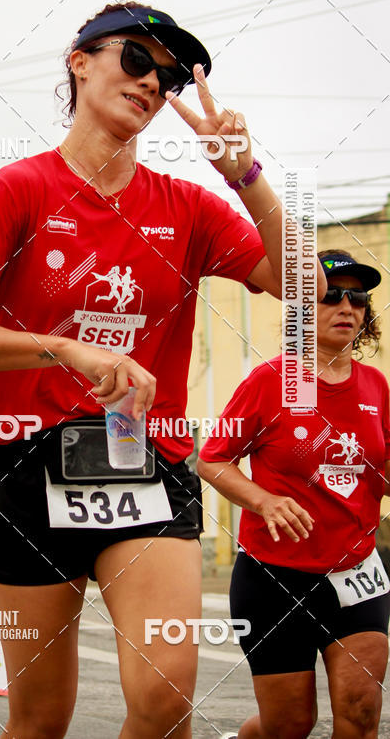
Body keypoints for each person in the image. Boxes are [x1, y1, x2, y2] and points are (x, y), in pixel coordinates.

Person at [0, 1, 326, 738]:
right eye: (135, 59)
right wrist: (63, 347)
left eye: (166, 78)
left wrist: (246, 174)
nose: (150, 83)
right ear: (80, 61)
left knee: (165, 699)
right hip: (28, 466)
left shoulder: (190, 209)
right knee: (40, 721)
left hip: (148, 465)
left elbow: (310, 287)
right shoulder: (22, 188)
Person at [198, 250, 389, 739]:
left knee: (362, 712)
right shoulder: (270, 382)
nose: (348, 306)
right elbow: (213, 459)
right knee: (289, 725)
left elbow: (382, 469)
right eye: (332, 296)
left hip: (356, 573)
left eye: (358, 297)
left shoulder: (376, 387)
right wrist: (263, 500)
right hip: (274, 577)